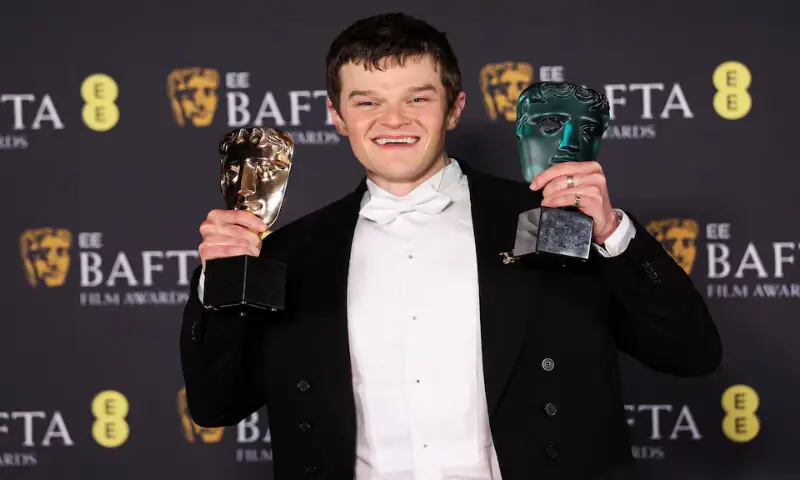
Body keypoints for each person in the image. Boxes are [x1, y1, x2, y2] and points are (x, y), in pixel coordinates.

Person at [180, 12, 722, 480]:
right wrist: (219, 282)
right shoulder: (290, 252)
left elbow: (691, 353)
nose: (394, 120)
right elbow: (215, 405)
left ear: (455, 108)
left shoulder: (554, 221)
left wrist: (612, 235)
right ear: (336, 116)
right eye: (368, 102)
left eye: (417, 98)